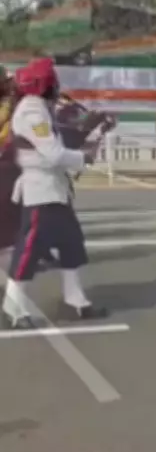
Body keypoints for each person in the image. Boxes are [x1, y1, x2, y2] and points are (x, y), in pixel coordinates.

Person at [1, 57, 106, 329]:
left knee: (72, 244)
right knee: (29, 249)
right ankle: (13, 305)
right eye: (53, 81)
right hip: (41, 190)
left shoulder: (40, 108)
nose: (57, 85)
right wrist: (83, 158)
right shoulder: (32, 112)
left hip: (53, 189)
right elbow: (53, 153)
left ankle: (75, 300)